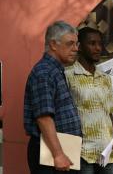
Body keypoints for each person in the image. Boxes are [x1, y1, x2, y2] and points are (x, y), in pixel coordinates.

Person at [65, 27, 113, 174]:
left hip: (107, 152)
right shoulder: (68, 75)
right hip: (81, 153)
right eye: (92, 43)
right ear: (79, 47)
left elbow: (108, 112)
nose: (98, 48)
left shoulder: (104, 78)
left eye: (99, 44)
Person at [24, 20, 82, 174]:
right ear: (53, 45)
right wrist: (58, 154)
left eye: (77, 44)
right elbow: (43, 117)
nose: (75, 49)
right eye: (70, 44)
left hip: (62, 148)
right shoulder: (44, 72)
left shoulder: (55, 70)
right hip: (50, 152)